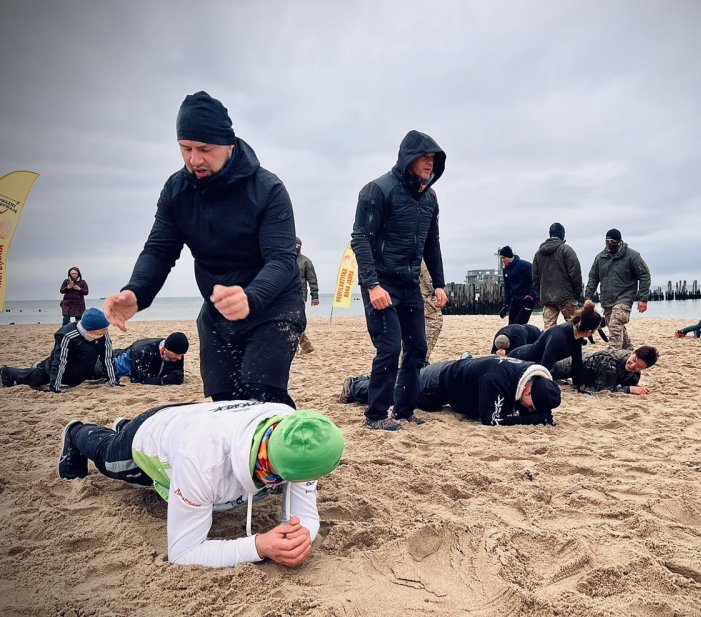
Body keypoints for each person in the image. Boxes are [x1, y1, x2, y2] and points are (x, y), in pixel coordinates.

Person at [103, 91, 303, 407]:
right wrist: (136, 292)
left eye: (204, 149)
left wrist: (251, 297)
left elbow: (282, 259)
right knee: (224, 401)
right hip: (218, 309)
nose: (194, 159)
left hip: (273, 306)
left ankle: (288, 455)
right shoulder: (177, 190)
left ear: (229, 145)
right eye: (186, 149)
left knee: (261, 393)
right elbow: (159, 249)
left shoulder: (268, 189)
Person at [57, 401, 344, 568]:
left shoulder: (296, 430)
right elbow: (183, 552)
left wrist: (302, 534)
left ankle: (124, 426)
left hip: (193, 419)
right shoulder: (201, 460)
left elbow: (304, 514)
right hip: (153, 438)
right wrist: (259, 546)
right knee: (108, 459)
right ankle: (77, 432)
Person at [350, 130, 448, 431]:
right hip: (381, 284)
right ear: (409, 158)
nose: (429, 164)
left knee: (417, 349)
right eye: (424, 158)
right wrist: (372, 285)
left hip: (410, 286)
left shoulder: (430, 198)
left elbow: (432, 243)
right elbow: (360, 240)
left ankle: (404, 411)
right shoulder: (378, 190)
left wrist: (440, 284)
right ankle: (376, 415)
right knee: (390, 348)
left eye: (433, 160)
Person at [339, 355, 562, 426]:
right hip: (435, 384)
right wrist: (534, 420)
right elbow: (491, 420)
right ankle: (354, 386)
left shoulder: (527, 374)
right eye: (531, 406)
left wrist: (542, 415)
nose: (530, 410)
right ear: (526, 392)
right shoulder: (497, 381)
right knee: (396, 394)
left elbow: (524, 408)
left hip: (450, 374)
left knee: (401, 381)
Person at [1, 308, 117, 392]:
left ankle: (37, 366)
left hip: (85, 369)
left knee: (100, 372)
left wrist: (113, 381)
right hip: (57, 370)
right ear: (89, 330)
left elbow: (108, 358)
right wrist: (55, 387)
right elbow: (60, 361)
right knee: (32, 378)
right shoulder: (67, 335)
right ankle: (6, 372)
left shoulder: (103, 334)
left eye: (105, 330)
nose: (104, 333)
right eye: (101, 331)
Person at [507, 301, 604, 389]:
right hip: (519, 359)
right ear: (589, 332)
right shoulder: (558, 338)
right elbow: (544, 368)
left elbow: (577, 363)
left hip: (534, 363)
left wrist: (579, 385)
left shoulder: (577, 336)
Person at [583, 228, 651, 349]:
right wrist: (588, 297)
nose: (610, 243)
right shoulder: (600, 258)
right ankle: (629, 352)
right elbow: (593, 277)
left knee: (615, 324)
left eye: (613, 240)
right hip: (607, 300)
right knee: (617, 328)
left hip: (625, 298)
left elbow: (645, 275)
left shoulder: (632, 256)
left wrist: (643, 299)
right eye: (608, 240)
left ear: (620, 241)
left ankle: (612, 354)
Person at [532, 223, 583, 330]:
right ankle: (574, 346)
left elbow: (535, 278)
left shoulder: (538, 254)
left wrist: (539, 295)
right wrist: (577, 293)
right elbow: (575, 274)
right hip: (566, 297)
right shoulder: (566, 250)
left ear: (550, 234)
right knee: (575, 325)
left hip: (546, 297)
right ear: (562, 235)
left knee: (549, 329)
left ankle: (551, 346)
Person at [552, 346, 658, 394]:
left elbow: (628, 383)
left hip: (584, 370)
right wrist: (630, 390)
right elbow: (603, 389)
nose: (632, 366)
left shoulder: (635, 373)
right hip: (571, 364)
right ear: (633, 353)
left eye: (639, 367)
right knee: (547, 371)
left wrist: (639, 389)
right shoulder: (610, 363)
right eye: (634, 360)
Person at [95, 332, 190, 385]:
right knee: (93, 370)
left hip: (140, 364)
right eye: (177, 354)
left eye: (181, 354)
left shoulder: (177, 352)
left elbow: (178, 376)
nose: (179, 358)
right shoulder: (143, 351)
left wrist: (171, 378)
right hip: (119, 360)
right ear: (166, 348)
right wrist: (163, 380)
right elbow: (138, 378)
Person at [498, 245, 537, 325]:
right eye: (501, 258)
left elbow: (534, 280)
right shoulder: (505, 270)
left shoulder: (524, 265)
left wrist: (531, 294)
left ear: (508, 257)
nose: (502, 260)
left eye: (503, 258)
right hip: (516, 300)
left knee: (519, 325)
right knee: (511, 326)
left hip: (527, 300)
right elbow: (507, 288)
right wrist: (505, 305)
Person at [295, 238, 320, 354]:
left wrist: (315, 296)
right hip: (283, 295)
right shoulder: (283, 260)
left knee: (296, 321)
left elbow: (312, 280)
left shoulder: (305, 261)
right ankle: (306, 348)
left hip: (299, 296)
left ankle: (304, 347)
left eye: (297, 245)